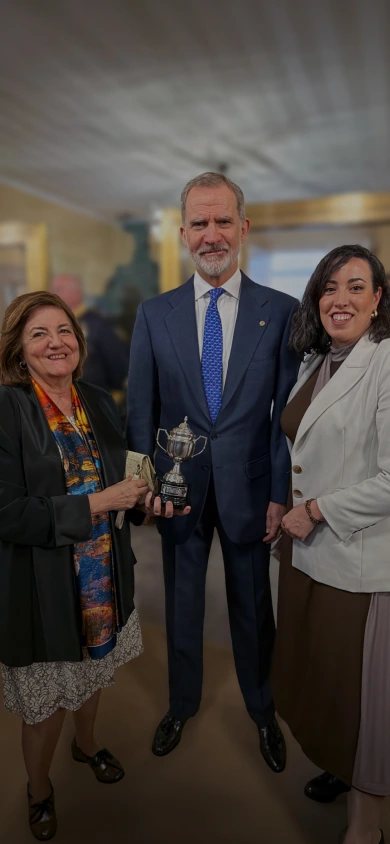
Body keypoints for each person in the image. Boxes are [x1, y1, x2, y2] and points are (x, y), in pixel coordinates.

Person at [127, 172, 299, 769]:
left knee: (254, 606)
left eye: (223, 220)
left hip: (250, 487)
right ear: (182, 234)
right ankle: (181, 704)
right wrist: (143, 488)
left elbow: (285, 416)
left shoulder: (281, 312)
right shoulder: (155, 314)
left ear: (243, 228)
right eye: (199, 223)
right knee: (182, 604)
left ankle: (263, 711)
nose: (212, 234)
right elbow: (141, 410)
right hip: (178, 489)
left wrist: (280, 491)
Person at [0, 290, 183, 842]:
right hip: (43, 586)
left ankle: (87, 745)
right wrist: (100, 502)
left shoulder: (98, 400)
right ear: (18, 350)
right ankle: (38, 790)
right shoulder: (7, 408)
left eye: (64, 331)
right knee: (44, 706)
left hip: (104, 577)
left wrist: (148, 503)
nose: (56, 342)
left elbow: (126, 477)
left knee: (93, 675)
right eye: (39, 334)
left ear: (79, 342)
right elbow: (8, 513)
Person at [271, 245, 390, 844]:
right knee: (321, 676)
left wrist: (315, 509)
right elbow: (304, 451)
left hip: (357, 557)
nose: (339, 299)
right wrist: (286, 504)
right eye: (329, 287)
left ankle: (366, 824)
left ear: (378, 299)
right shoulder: (317, 360)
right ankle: (342, 768)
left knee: (362, 695)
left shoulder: (386, 362)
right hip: (306, 551)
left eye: (356, 287)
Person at [50, 273, 129, 396]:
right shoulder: (50, 323)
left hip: (93, 398)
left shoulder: (98, 324)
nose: (52, 294)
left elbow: (116, 364)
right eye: (53, 289)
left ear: (76, 294)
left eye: (59, 289)